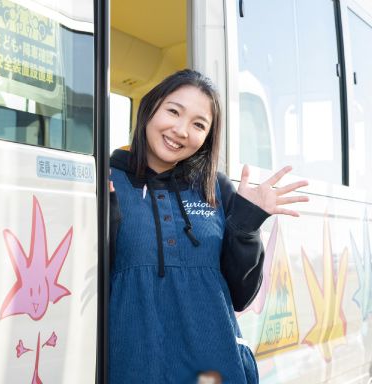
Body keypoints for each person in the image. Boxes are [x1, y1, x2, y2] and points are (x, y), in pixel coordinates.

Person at [108, 69, 309, 383]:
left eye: (198, 124)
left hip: (214, 368)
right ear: (150, 108)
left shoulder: (215, 188)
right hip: (134, 366)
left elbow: (241, 294)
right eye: (173, 111)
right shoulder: (105, 181)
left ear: (207, 137)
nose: (181, 130)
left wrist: (246, 224)